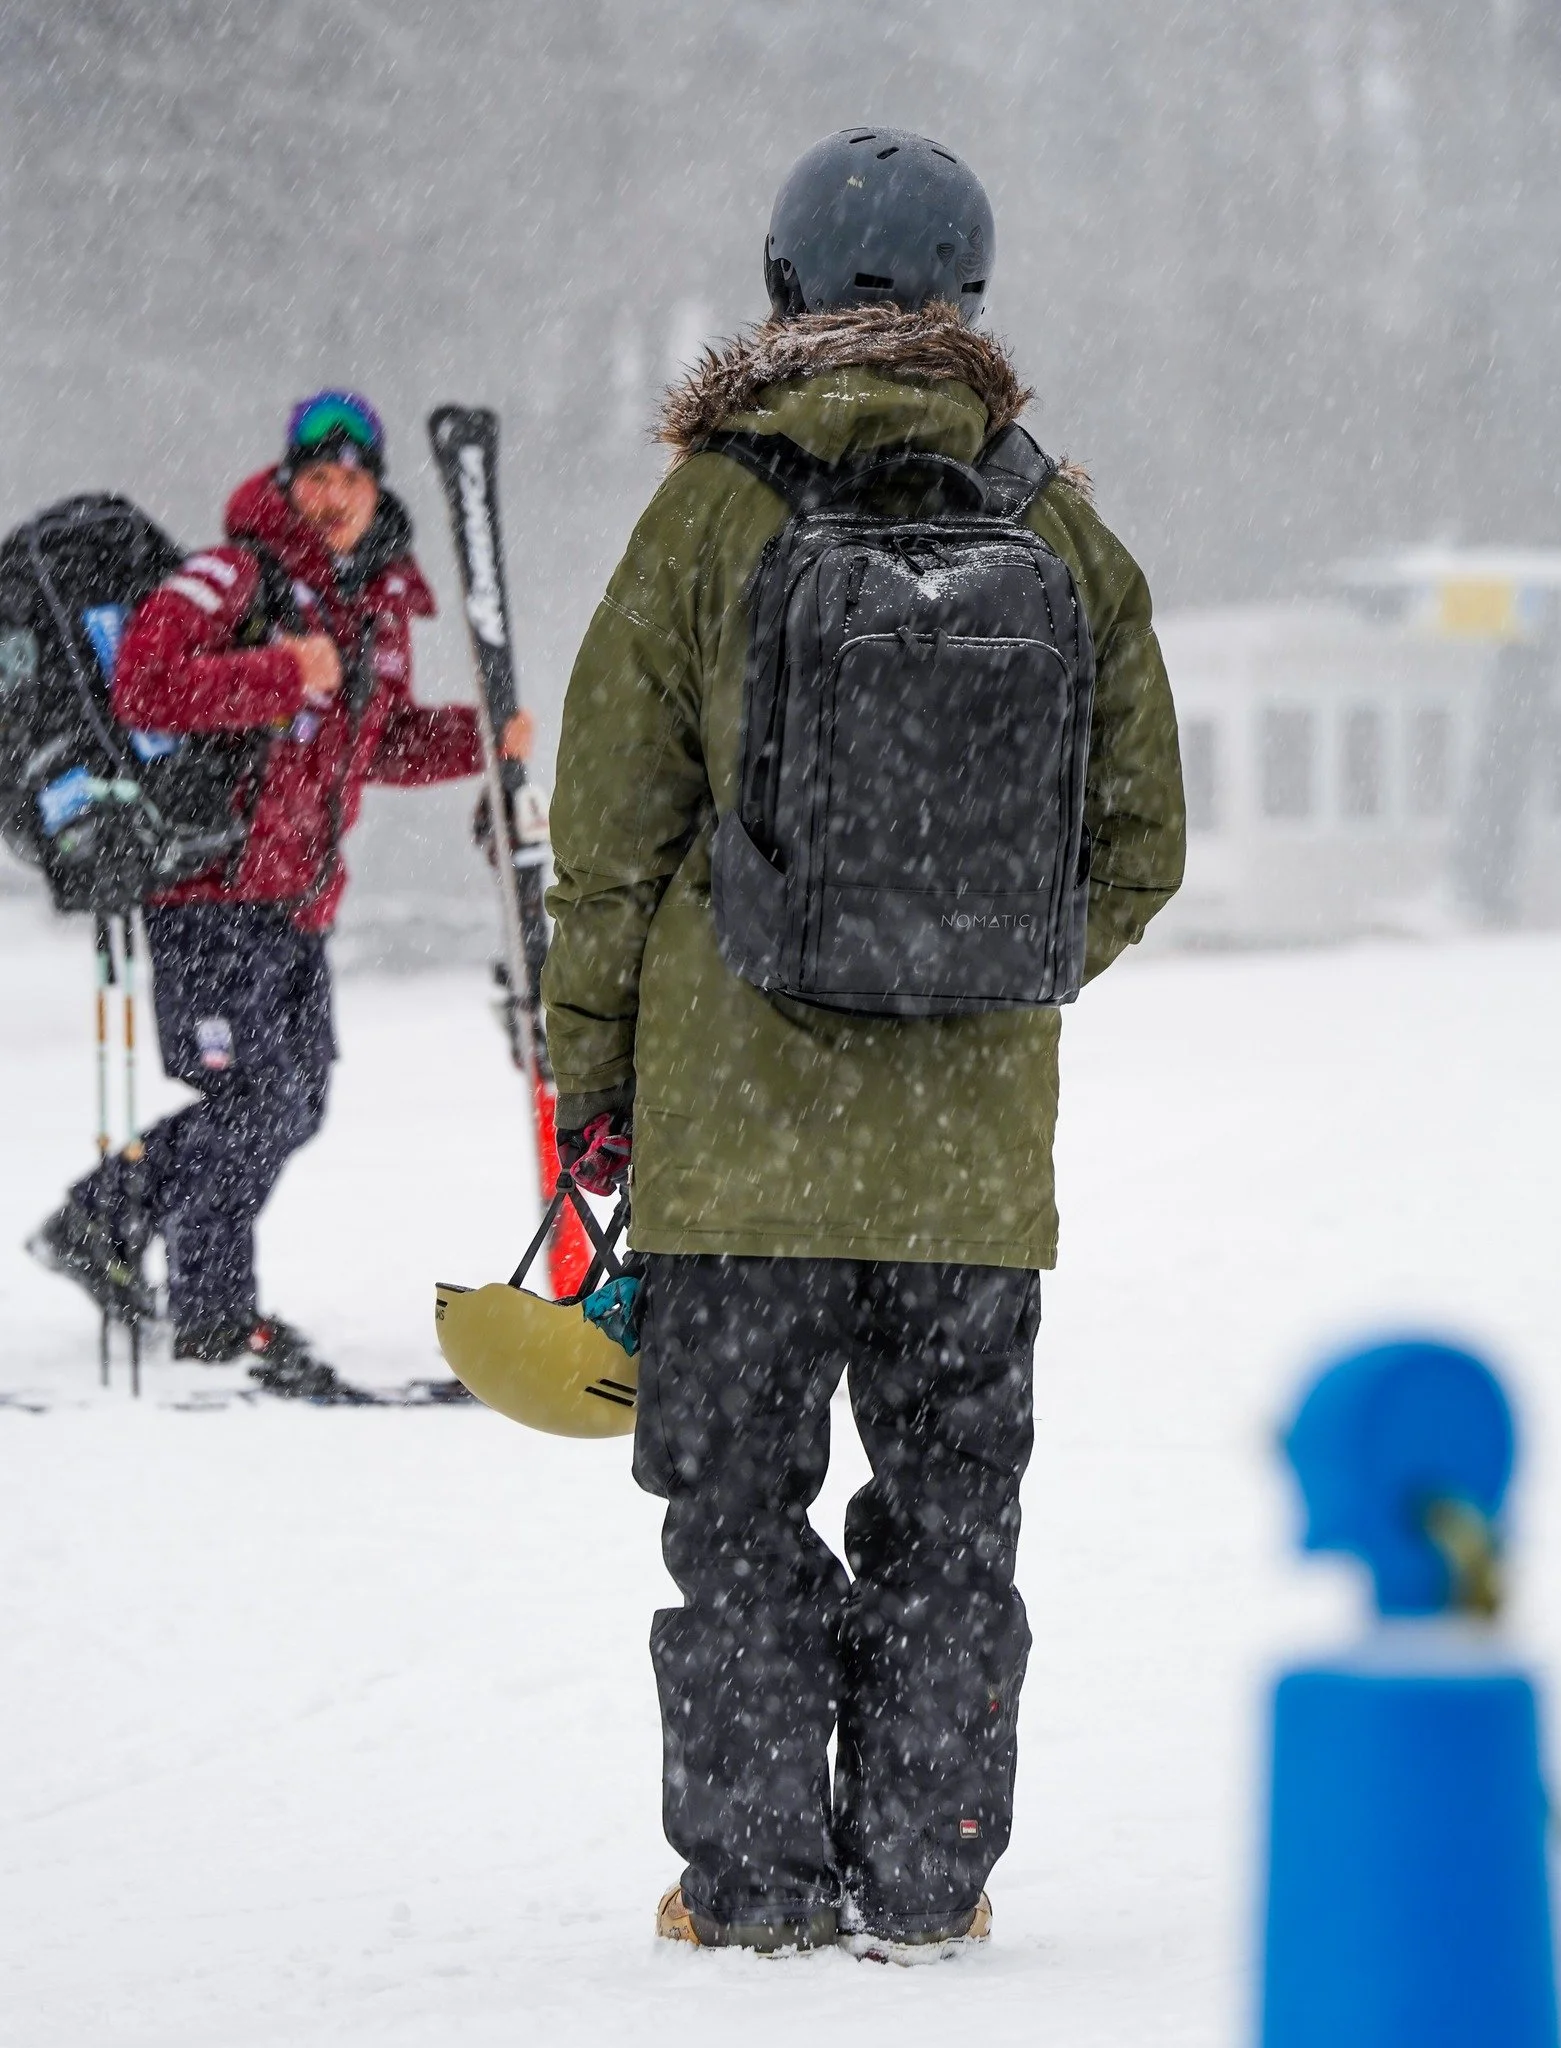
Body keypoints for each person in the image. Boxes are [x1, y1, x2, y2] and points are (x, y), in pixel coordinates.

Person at [545, 128, 1186, 1958]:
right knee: (952, 1522)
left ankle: (748, 1887)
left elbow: (609, 833)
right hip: (970, 1174)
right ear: (968, 301)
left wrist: (596, 1071)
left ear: (779, 294)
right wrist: (996, 966)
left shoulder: (706, 517)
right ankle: (928, 1875)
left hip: (736, 1149)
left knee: (735, 1513)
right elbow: (1143, 836)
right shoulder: (1053, 524)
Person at [29, 391, 533, 1398]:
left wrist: (480, 734)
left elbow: (372, 742)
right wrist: (275, 672)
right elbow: (143, 685)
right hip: (207, 896)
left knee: (292, 1103)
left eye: (349, 477)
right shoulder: (232, 574)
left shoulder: (376, 604)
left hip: (294, 904)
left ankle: (101, 1221)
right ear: (291, 484)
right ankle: (216, 1329)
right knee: (253, 1101)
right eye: (314, 477)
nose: (332, 493)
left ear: (375, 485)